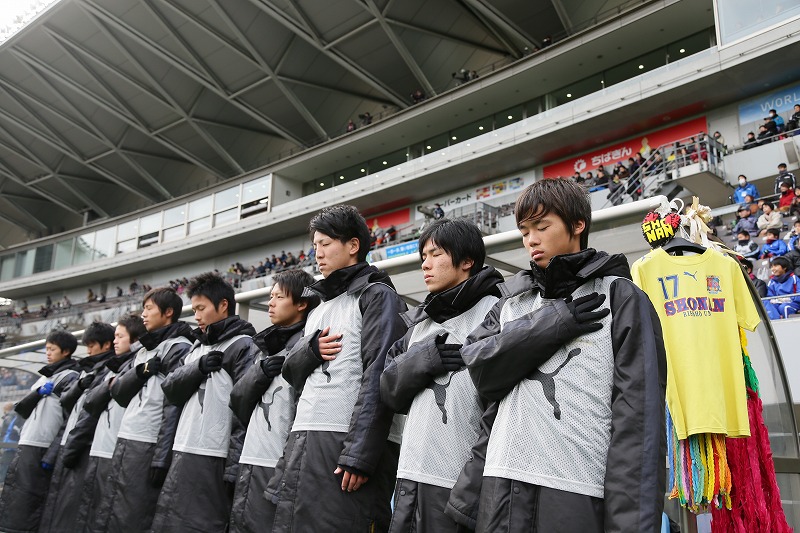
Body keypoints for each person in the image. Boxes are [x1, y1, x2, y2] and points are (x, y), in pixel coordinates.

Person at [460, 178, 667, 532]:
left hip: (576, 493)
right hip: (500, 490)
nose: (531, 240)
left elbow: (638, 423)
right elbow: (480, 372)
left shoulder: (621, 296)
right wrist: (554, 322)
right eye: (524, 231)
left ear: (577, 224)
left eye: (542, 227)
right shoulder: (510, 303)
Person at [267, 205, 407, 532]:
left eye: (326, 243)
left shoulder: (378, 296)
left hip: (345, 442)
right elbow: (292, 375)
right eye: (315, 245)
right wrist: (309, 351)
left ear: (353, 245)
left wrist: (359, 455)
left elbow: (380, 375)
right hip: (303, 437)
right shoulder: (317, 308)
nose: (317, 253)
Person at [380, 219, 504, 532]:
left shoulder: (498, 312)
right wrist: (422, 360)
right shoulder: (419, 323)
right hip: (408, 478)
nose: (426, 264)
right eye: (423, 256)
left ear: (467, 261)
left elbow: (502, 412)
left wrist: (471, 488)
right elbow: (388, 391)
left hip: (457, 487)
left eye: (436, 255)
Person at [151, 273, 259, 532]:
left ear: (223, 305)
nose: (197, 316)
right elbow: (171, 390)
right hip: (182, 448)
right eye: (194, 309)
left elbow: (244, 410)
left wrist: (233, 467)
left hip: (214, 455)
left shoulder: (242, 345)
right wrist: (198, 367)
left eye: (201, 308)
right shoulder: (195, 348)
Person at [229, 270, 319, 533]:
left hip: (279, 465)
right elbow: (238, 402)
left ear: (301, 303)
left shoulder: (310, 344)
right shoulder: (264, 348)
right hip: (250, 459)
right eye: (271, 296)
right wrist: (261, 372)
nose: (270, 303)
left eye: (279, 297)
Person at [99, 287, 194, 532]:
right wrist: (141, 372)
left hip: (148, 442)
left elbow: (173, 405)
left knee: (133, 513)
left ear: (168, 312)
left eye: (149, 308)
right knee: (112, 507)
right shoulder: (142, 350)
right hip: (125, 437)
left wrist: (161, 458)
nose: (143, 314)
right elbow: (118, 392)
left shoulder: (179, 347)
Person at [38, 322, 115, 533]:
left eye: (92, 345)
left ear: (106, 344)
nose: (88, 350)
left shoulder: (106, 370)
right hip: (70, 443)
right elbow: (67, 403)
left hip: (83, 447)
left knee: (70, 509)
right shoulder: (85, 371)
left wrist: (70, 449)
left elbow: (88, 415)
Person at [0, 330, 80, 533]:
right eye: (46, 349)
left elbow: (70, 420)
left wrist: (52, 453)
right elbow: (22, 409)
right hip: (28, 442)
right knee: (17, 495)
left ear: (66, 351)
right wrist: (37, 393)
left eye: (52, 349)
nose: (48, 353)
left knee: (32, 499)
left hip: (43, 446)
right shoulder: (44, 378)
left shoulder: (70, 377)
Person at [80, 315, 146, 533]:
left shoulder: (137, 363)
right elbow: (89, 404)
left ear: (135, 339)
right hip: (100, 448)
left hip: (115, 450)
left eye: (120, 336)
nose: (115, 341)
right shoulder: (112, 368)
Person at [0, 402, 21, 483]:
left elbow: (5, 432)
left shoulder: (9, 418)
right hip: (14, 445)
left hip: (8, 446)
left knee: (4, 466)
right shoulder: (17, 416)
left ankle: (2, 482)